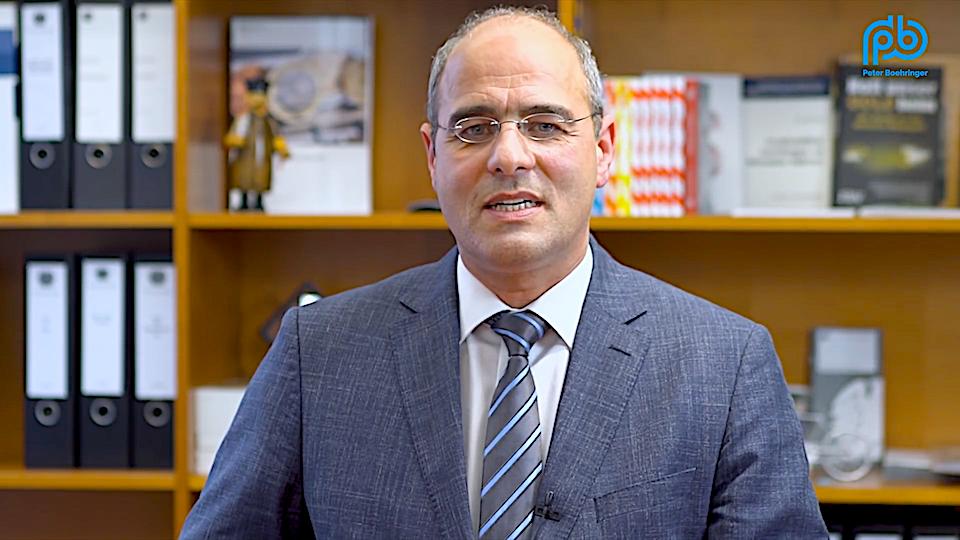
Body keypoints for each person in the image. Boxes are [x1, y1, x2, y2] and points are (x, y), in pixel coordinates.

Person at [181, 6, 827, 539]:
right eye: (474, 127)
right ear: (432, 156)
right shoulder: (317, 353)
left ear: (603, 151)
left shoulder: (725, 364)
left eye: (544, 125)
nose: (509, 156)